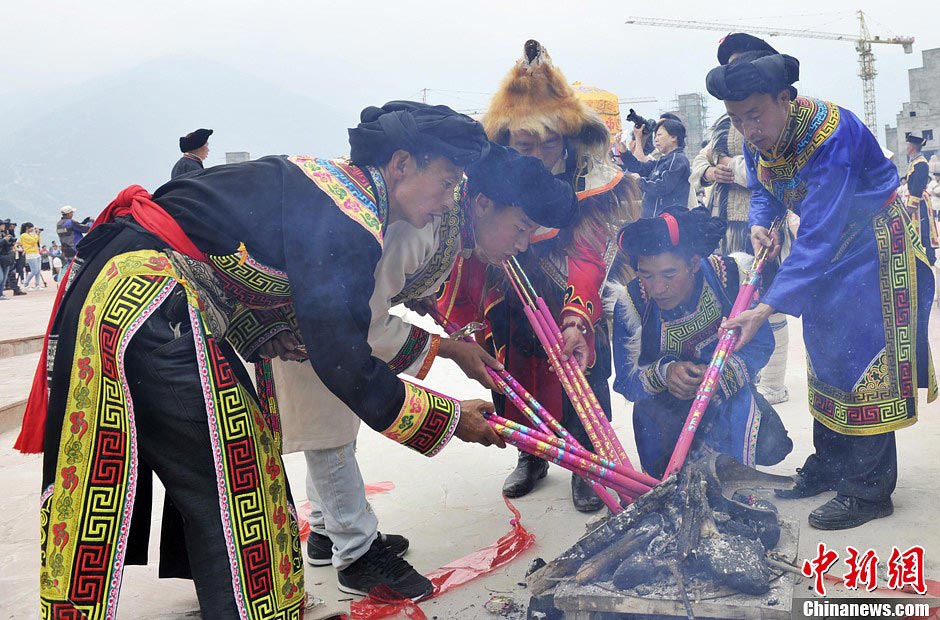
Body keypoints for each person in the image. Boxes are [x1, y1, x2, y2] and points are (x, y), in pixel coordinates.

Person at [16, 101, 501, 618]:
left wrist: (264, 331)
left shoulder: (338, 191)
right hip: (146, 299)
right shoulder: (349, 217)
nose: (449, 203)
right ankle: (252, 608)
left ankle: (229, 596)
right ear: (402, 164)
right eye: (447, 183)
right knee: (237, 465)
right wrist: (449, 419)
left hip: (135, 295)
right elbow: (344, 360)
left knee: (225, 457)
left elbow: (233, 257)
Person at [273, 143, 577, 600]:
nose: (520, 245)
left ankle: (323, 531)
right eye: (519, 229)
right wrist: (447, 350)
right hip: (304, 323)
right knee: (331, 431)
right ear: (482, 203)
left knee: (335, 425)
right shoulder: (420, 229)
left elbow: (390, 292)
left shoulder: (450, 227)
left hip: (323, 321)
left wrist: (442, 331)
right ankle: (356, 556)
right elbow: (363, 324)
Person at [709, 48, 937, 530]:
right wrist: (760, 223)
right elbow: (766, 192)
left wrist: (767, 305)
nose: (748, 129)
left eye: (754, 115)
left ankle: (870, 488)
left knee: (863, 360)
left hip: (874, 248)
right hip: (828, 252)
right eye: (736, 119)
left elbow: (819, 231)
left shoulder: (831, 134)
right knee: (825, 355)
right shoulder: (757, 136)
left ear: (785, 98)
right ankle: (831, 465)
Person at [437, 40, 640, 511]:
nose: (541, 153)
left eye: (551, 141)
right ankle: (533, 454)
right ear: (505, 143)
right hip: (508, 292)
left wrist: (576, 315)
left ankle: (590, 462)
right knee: (516, 370)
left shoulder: (591, 183)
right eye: (525, 144)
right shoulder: (484, 187)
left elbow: (589, 255)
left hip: (571, 291)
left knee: (584, 372)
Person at [610, 209, 792, 478]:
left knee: (774, 445)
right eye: (646, 275)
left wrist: (720, 377)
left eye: (669, 275)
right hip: (666, 410)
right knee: (669, 470)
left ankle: (725, 464)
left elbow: (761, 343)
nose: (657, 288)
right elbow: (626, 382)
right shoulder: (632, 304)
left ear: (694, 264)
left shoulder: (729, 278)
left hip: (725, 394)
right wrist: (665, 373)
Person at [690, 32, 792, 405]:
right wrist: (710, 170)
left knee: (770, 301)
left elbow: (767, 174)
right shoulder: (725, 120)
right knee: (735, 299)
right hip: (731, 226)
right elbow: (701, 160)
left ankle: (774, 382)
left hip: (767, 226)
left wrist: (730, 169)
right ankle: (743, 373)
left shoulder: (776, 112)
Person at [620, 118, 692, 218]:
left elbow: (663, 186)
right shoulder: (663, 161)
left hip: (667, 223)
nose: (656, 139)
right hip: (655, 221)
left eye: (659, 135)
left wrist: (639, 181)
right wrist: (624, 152)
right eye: (655, 136)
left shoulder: (677, 160)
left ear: (673, 137)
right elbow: (639, 168)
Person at [903, 133, 938, 266]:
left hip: (919, 201)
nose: (907, 147)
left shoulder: (921, 164)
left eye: (908, 145)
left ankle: (930, 257)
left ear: (912, 146)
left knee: (924, 228)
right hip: (914, 199)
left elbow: (917, 187)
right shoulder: (914, 162)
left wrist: (910, 207)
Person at [19, 222, 43, 290]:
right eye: (31, 227)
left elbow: (38, 241)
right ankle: (26, 284)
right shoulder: (24, 235)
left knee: (38, 270)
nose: (32, 229)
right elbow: (33, 241)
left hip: (36, 253)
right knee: (34, 270)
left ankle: (37, 285)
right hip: (30, 254)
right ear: (27, 228)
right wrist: (36, 234)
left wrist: (38, 234)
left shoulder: (30, 235)